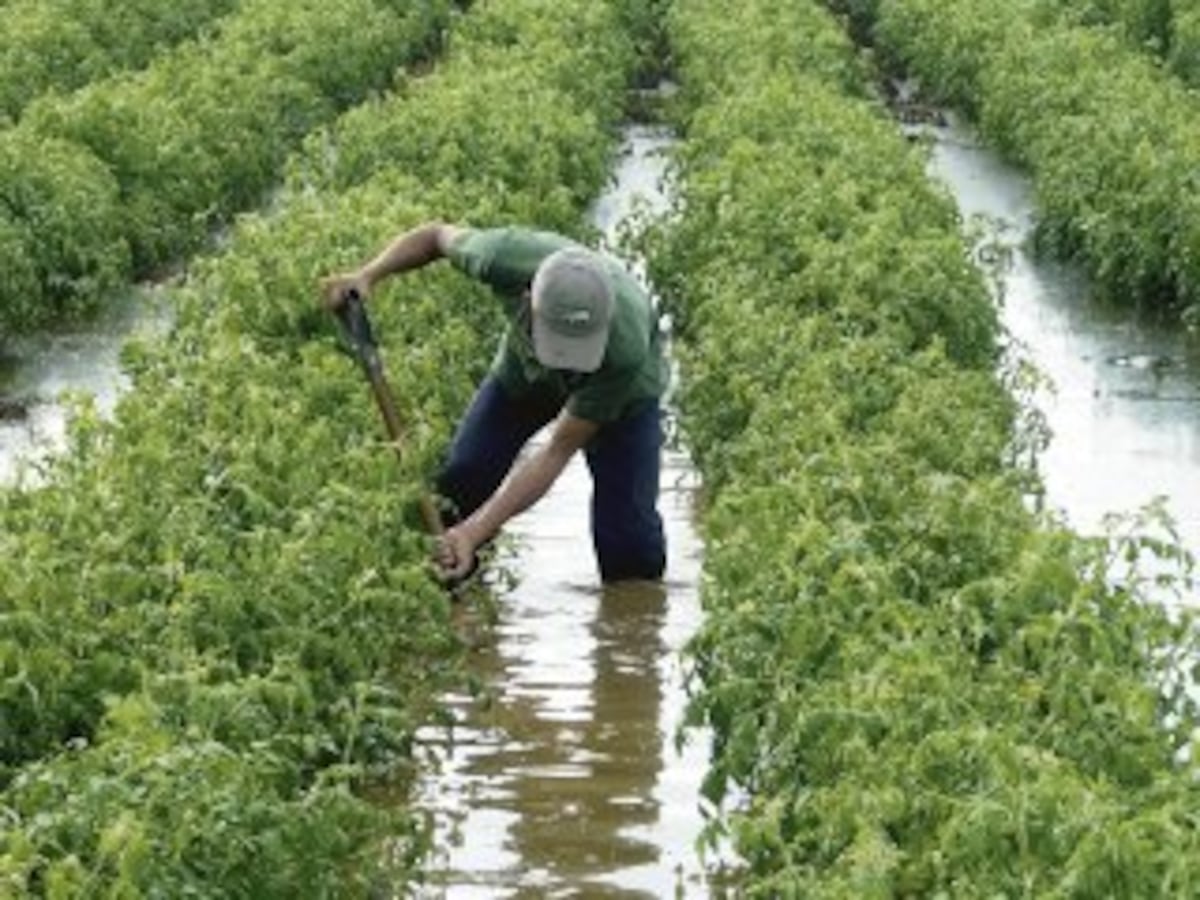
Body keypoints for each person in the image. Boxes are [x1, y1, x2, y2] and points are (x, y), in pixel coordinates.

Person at [320, 222, 668, 584]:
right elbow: (434, 237)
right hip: (522, 377)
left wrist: (476, 530)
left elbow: (556, 451)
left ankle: (634, 625)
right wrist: (368, 274)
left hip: (624, 402)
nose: (562, 361)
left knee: (628, 539)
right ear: (527, 301)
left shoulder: (625, 350)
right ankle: (454, 586)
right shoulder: (500, 257)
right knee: (464, 480)